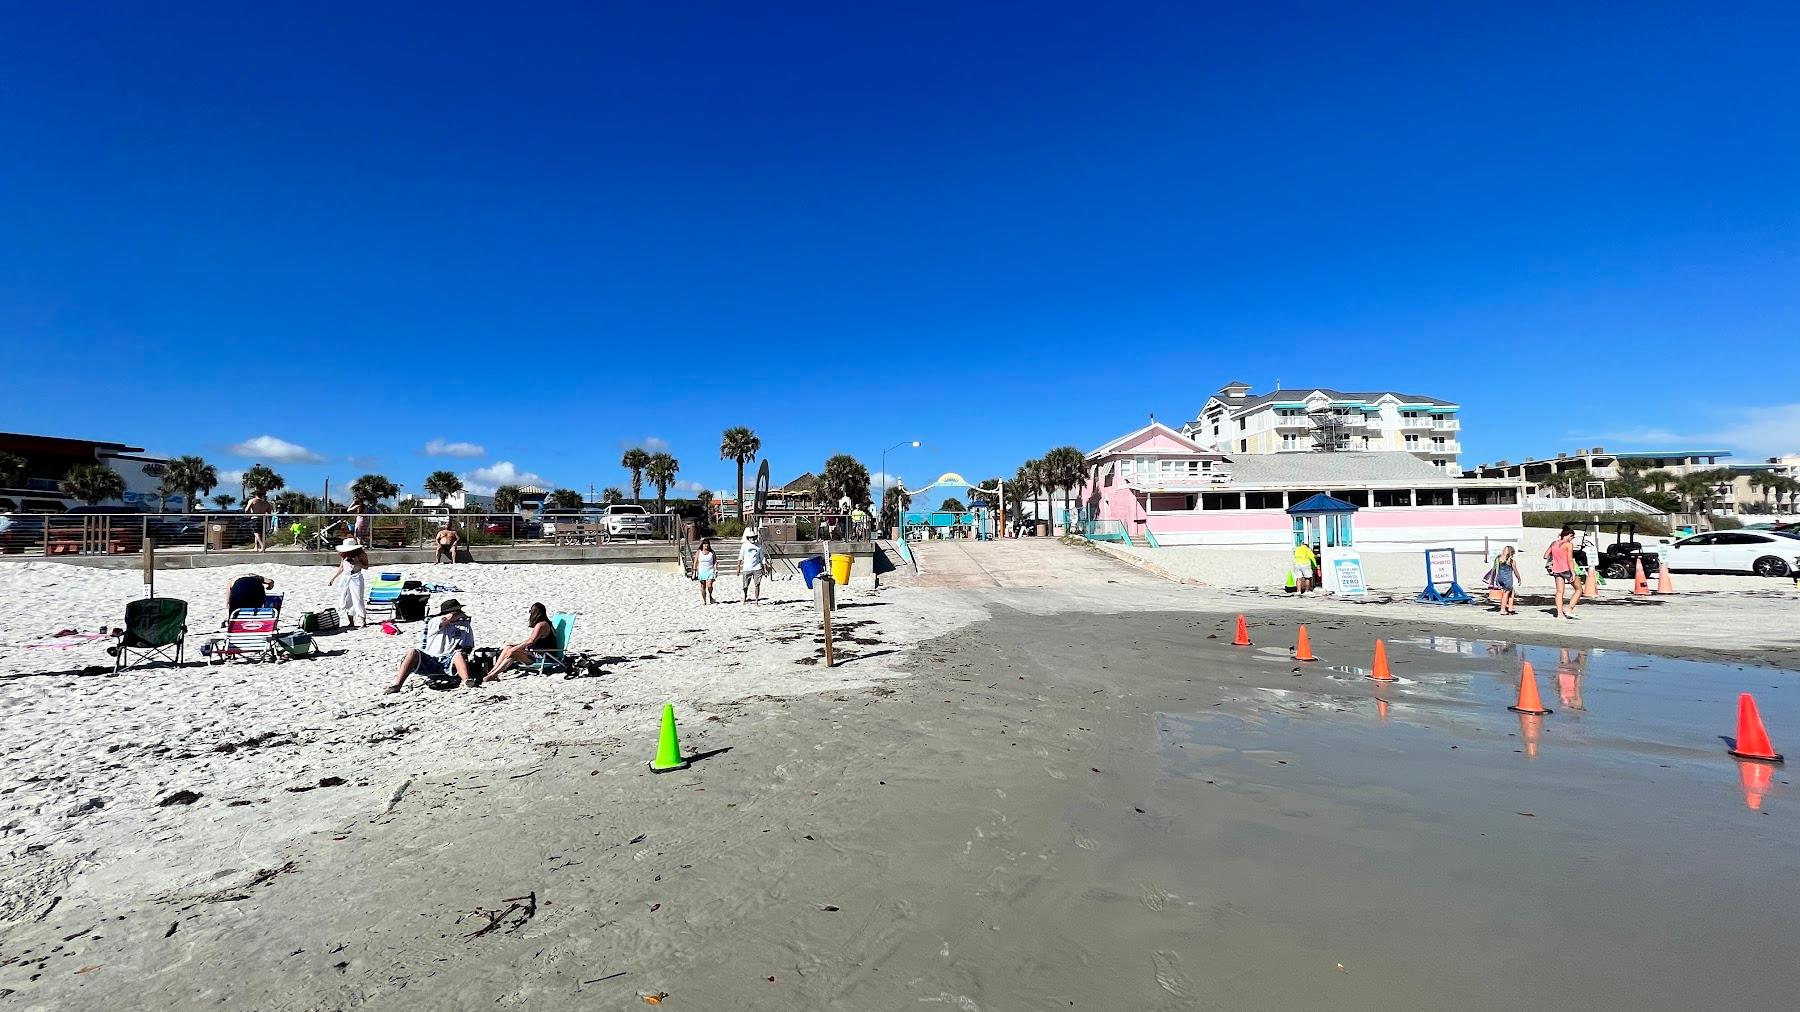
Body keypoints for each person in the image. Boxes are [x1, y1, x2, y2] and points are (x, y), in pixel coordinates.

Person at [385, 599, 476, 691]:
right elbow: (448, 618)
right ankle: (397, 684)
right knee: (412, 652)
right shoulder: (434, 621)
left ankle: (466, 681)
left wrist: (463, 651)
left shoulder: (464, 625)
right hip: (430, 658)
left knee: (458, 655)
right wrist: (460, 614)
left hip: (450, 659)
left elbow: (469, 646)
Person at [486, 602, 559, 681]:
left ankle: (493, 675)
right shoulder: (544, 623)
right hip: (537, 653)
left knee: (513, 652)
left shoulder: (541, 625)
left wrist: (515, 648)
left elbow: (531, 641)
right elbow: (530, 640)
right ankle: (492, 672)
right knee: (508, 647)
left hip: (544, 657)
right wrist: (515, 645)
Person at [327, 538, 370, 629]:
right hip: (346, 577)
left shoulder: (361, 554)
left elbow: (366, 566)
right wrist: (333, 578)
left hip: (356, 577)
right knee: (347, 599)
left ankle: (363, 621)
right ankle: (351, 621)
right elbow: (342, 567)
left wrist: (357, 563)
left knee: (358, 599)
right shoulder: (344, 555)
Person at [1543, 526, 1582, 619]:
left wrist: (1555, 557)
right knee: (1579, 589)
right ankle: (1569, 610)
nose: (1572, 539)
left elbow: (1545, 556)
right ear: (1569, 535)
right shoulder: (1568, 544)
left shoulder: (1554, 543)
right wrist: (1573, 572)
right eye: (1572, 537)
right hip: (1566, 569)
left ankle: (1559, 613)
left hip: (1556, 569)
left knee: (1559, 592)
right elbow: (1570, 560)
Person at [738, 527, 768, 605]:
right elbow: (740, 556)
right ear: (748, 538)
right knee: (745, 585)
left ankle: (756, 601)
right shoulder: (744, 545)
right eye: (750, 537)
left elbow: (762, 558)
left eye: (753, 537)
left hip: (757, 567)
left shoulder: (759, 546)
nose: (751, 539)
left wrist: (765, 568)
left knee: (757, 585)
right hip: (747, 568)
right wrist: (738, 567)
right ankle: (744, 597)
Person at [1489, 545, 1522, 615]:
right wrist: (1519, 578)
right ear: (1512, 553)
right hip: (1507, 580)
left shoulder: (1498, 559)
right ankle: (1503, 610)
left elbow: (1494, 568)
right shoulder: (1512, 562)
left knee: (1511, 592)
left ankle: (1510, 608)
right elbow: (1515, 571)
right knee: (1506, 594)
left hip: (1499, 578)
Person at [694, 538, 718, 604]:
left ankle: (710, 596)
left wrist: (716, 570)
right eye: (704, 544)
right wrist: (694, 571)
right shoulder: (699, 552)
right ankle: (704, 600)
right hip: (701, 571)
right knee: (703, 586)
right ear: (702, 545)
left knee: (709, 585)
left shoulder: (712, 552)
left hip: (710, 570)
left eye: (707, 544)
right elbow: (695, 562)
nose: (706, 545)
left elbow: (715, 562)